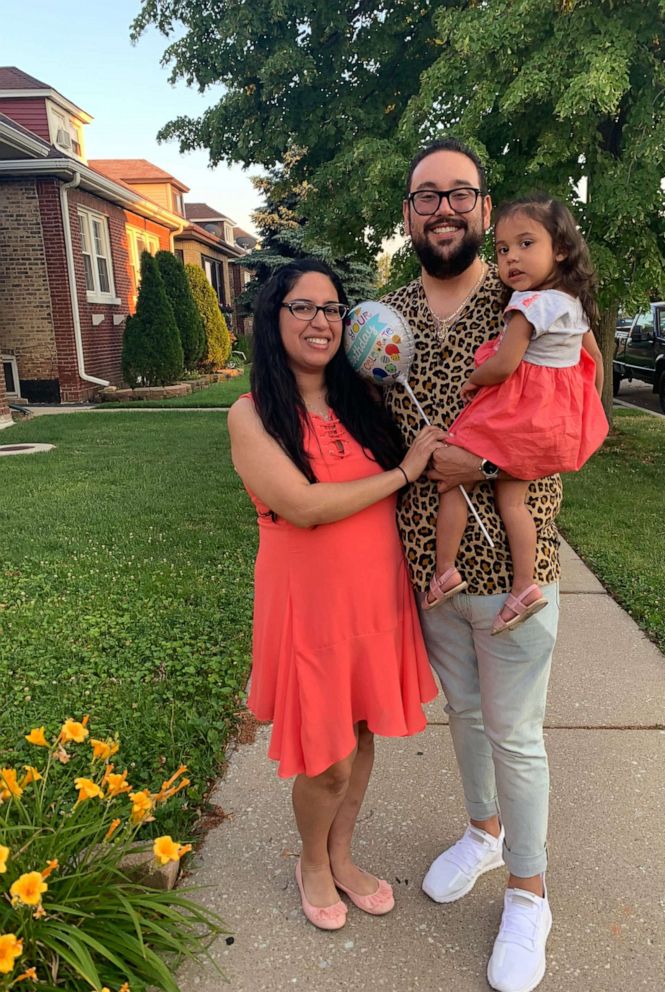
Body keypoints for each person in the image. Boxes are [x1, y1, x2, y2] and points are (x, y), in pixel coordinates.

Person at [383, 138, 562, 992]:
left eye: (461, 194)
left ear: (487, 211)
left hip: (516, 574)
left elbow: (575, 424)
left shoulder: (533, 299)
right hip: (427, 567)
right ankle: (483, 835)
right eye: (428, 195)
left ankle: (529, 894)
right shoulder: (380, 319)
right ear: (408, 213)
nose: (444, 207)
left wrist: (484, 467)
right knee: (463, 713)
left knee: (516, 735)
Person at [227, 259, 443, 932]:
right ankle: (311, 864)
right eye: (303, 307)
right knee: (328, 761)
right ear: (274, 318)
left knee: (362, 733)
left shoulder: (364, 402)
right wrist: (404, 473)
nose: (320, 321)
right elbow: (303, 506)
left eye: (330, 309)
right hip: (311, 609)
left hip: (375, 600)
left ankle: (342, 857)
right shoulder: (252, 414)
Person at [424, 194, 608, 635]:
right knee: (514, 502)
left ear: (560, 250)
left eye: (526, 244)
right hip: (549, 424)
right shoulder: (573, 306)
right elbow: (596, 362)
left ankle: (444, 570)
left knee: (451, 472)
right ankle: (524, 585)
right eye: (503, 249)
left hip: (517, 413)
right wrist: (584, 407)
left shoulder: (527, 306)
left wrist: (475, 379)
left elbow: (505, 365)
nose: (512, 258)